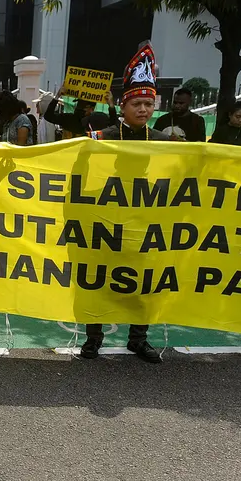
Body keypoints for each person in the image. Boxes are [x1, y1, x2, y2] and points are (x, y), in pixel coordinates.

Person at [83, 42, 170, 365]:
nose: (144, 109)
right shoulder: (102, 138)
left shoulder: (164, 142)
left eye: (148, 103)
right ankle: (94, 338)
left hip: (146, 224)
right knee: (99, 281)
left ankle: (138, 339)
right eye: (137, 103)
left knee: (143, 283)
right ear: (124, 105)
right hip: (106, 222)